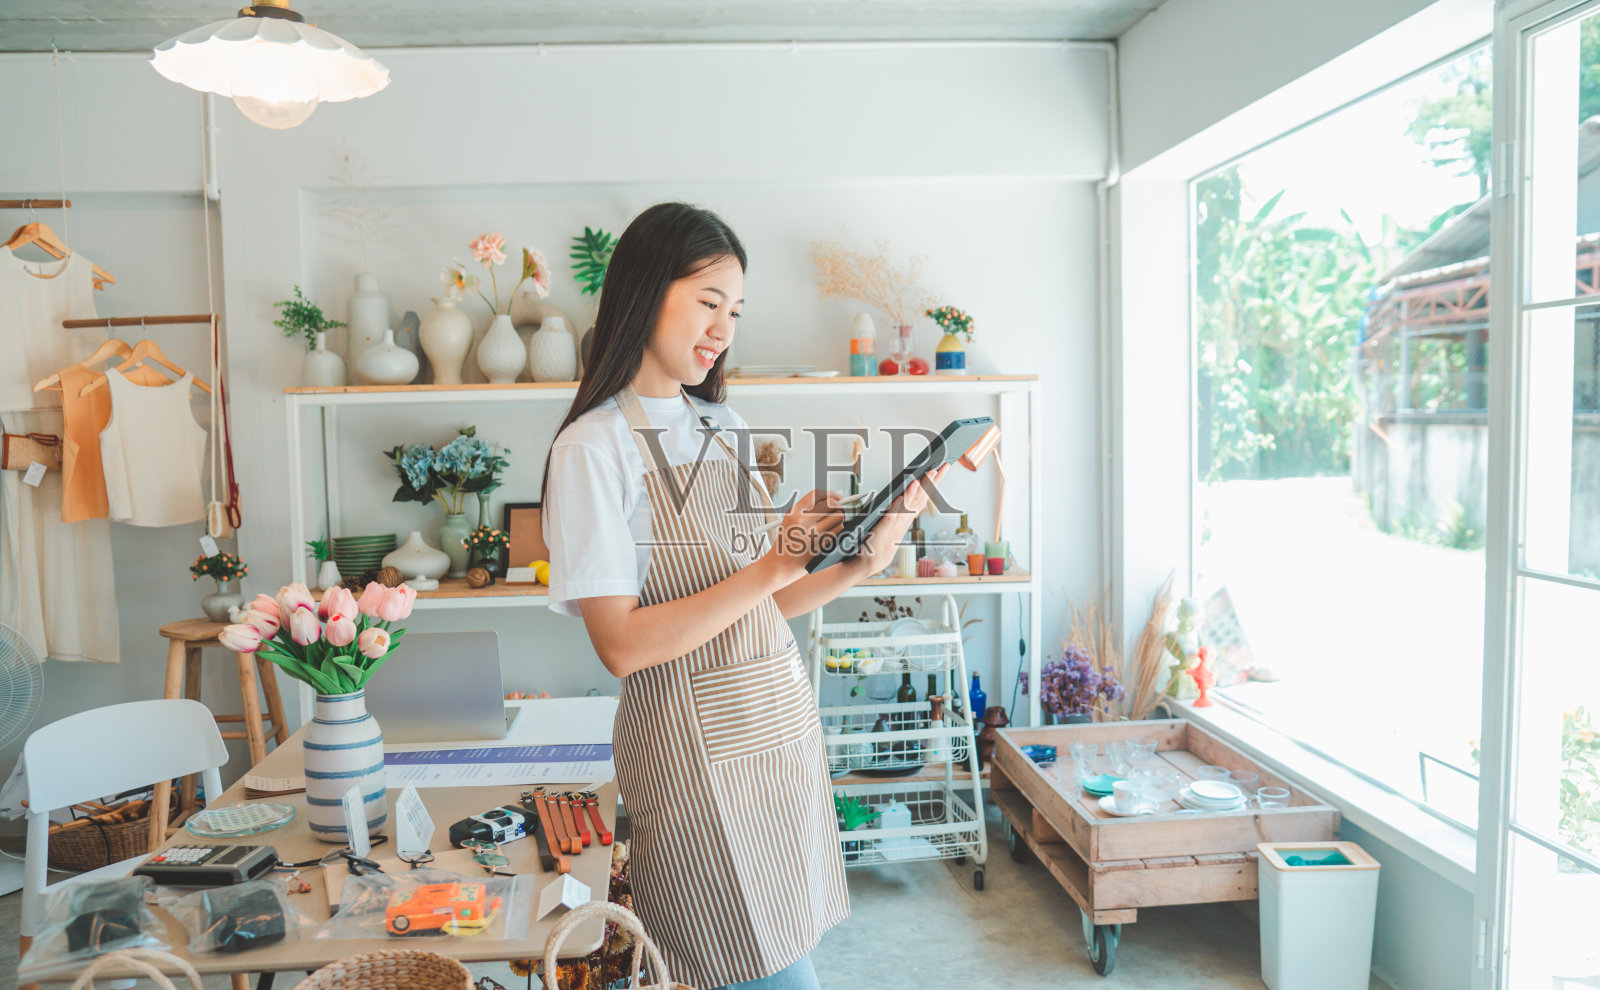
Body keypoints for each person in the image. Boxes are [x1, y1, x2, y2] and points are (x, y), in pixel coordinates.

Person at [541, 202, 946, 990]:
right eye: (706, 302)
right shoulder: (592, 448)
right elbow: (621, 645)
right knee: (744, 964)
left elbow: (755, 608)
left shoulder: (723, 426)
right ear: (644, 291)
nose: (723, 328)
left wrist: (861, 562)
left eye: (735, 310)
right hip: (692, 763)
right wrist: (771, 564)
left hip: (773, 734)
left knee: (786, 949)